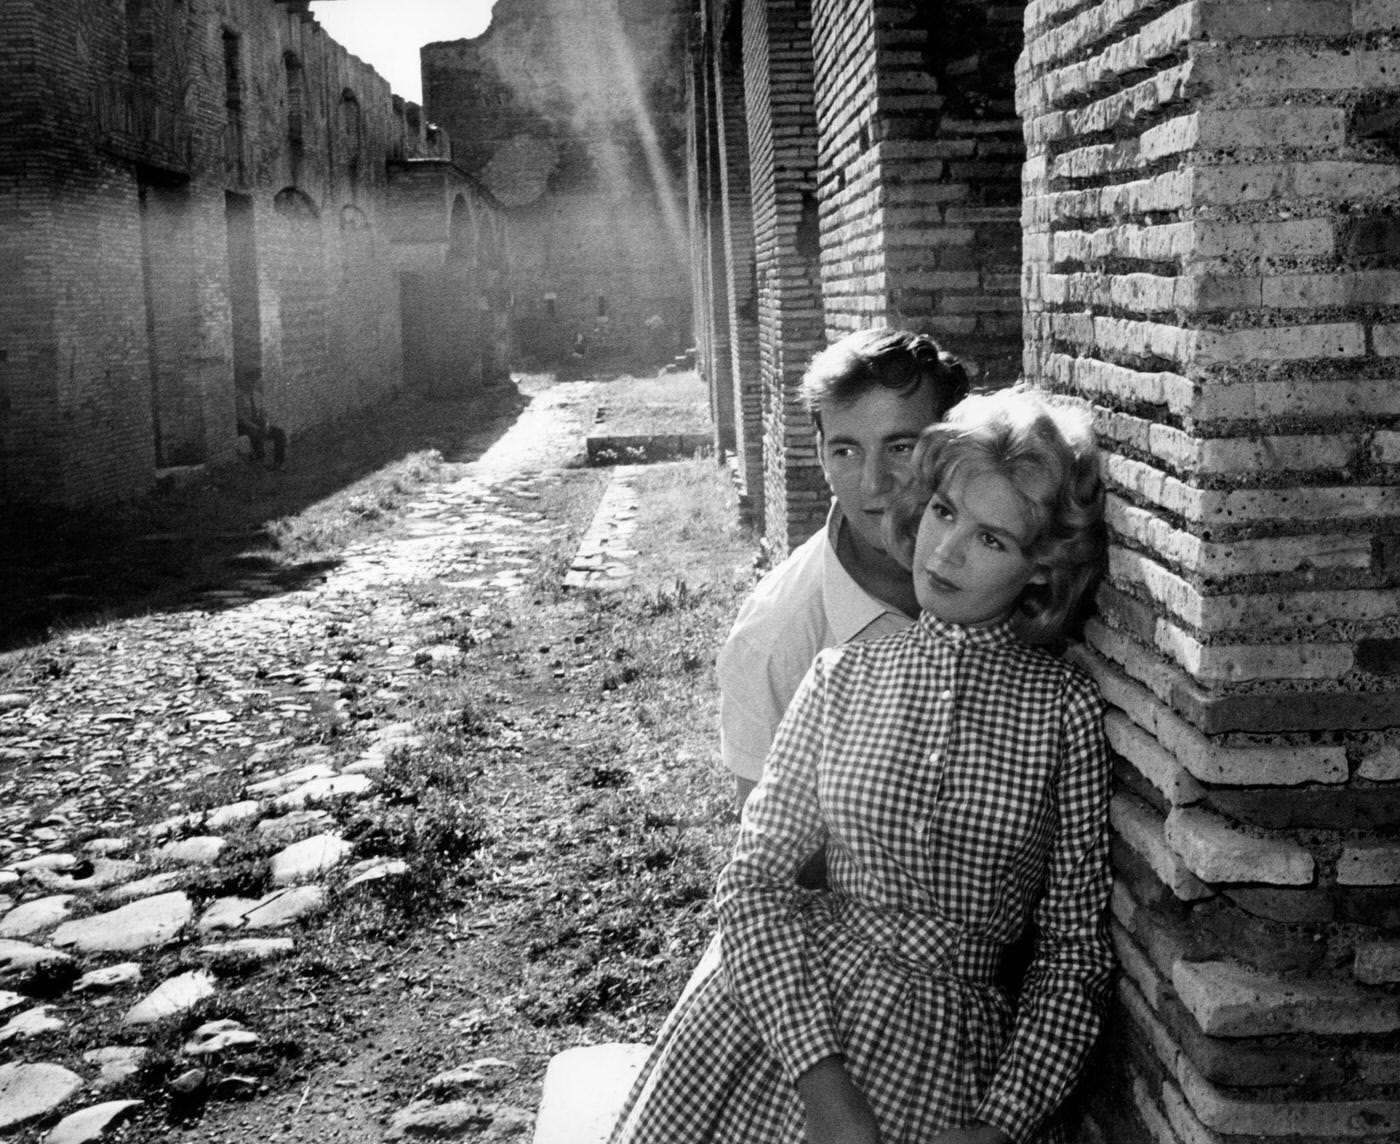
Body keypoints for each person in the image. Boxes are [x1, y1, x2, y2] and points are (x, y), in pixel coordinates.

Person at [610, 386, 1113, 1144]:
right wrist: (822, 1083)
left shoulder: (1063, 711)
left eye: (991, 540)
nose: (944, 551)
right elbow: (752, 882)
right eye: (944, 513)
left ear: (1039, 571)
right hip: (780, 1027)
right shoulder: (841, 676)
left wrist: (1001, 1124)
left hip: (949, 1057)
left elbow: (1073, 953)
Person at [717, 328, 970, 810]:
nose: (874, 485)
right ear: (820, 455)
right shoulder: (773, 642)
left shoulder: (1012, 571)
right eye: (846, 451)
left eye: (901, 448)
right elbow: (771, 864)